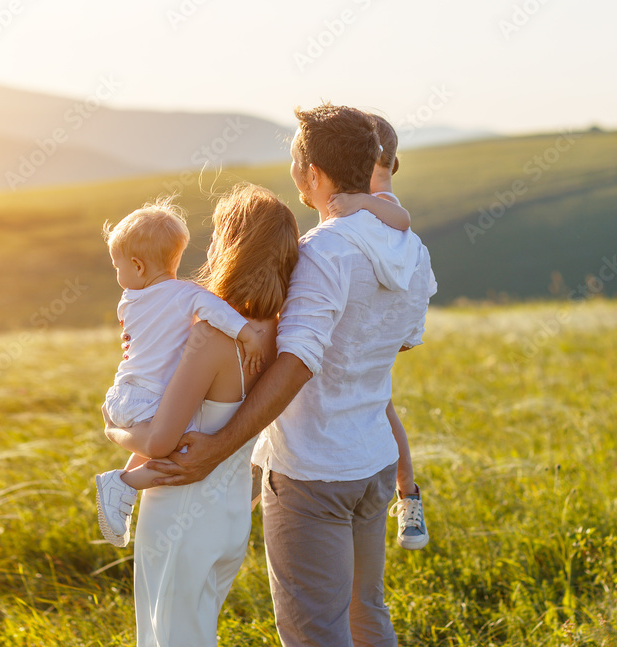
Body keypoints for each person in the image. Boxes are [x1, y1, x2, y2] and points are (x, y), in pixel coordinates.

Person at [146, 104, 437, 647]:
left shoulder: (322, 253)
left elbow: (299, 363)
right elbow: (401, 339)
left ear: (316, 176)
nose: (293, 175)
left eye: (296, 163)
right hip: (373, 460)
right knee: (364, 610)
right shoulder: (413, 251)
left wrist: (217, 446)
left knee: (313, 631)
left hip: (311, 470)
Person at [103, 183, 299, 646]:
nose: (207, 246)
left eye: (215, 235)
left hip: (179, 513)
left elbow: (158, 442)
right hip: (233, 514)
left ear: (232, 246)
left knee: (165, 639)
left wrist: (112, 429)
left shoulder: (210, 337)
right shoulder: (279, 330)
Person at [95, 198, 267, 548]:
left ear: (138, 266)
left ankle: (123, 484)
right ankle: (125, 485)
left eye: (117, 266)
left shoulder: (128, 300)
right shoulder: (187, 294)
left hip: (124, 394)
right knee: (185, 446)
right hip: (151, 396)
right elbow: (219, 313)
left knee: (163, 440)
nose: (117, 276)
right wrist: (248, 334)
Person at [324, 113, 430, 550]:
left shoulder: (382, 198)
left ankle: (408, 494)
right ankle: (406, 493)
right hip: (381, 319)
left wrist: (363, 204)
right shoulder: (370, 197)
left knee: (381, 407)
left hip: (376, 321)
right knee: (380, 404)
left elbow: (401, 220)